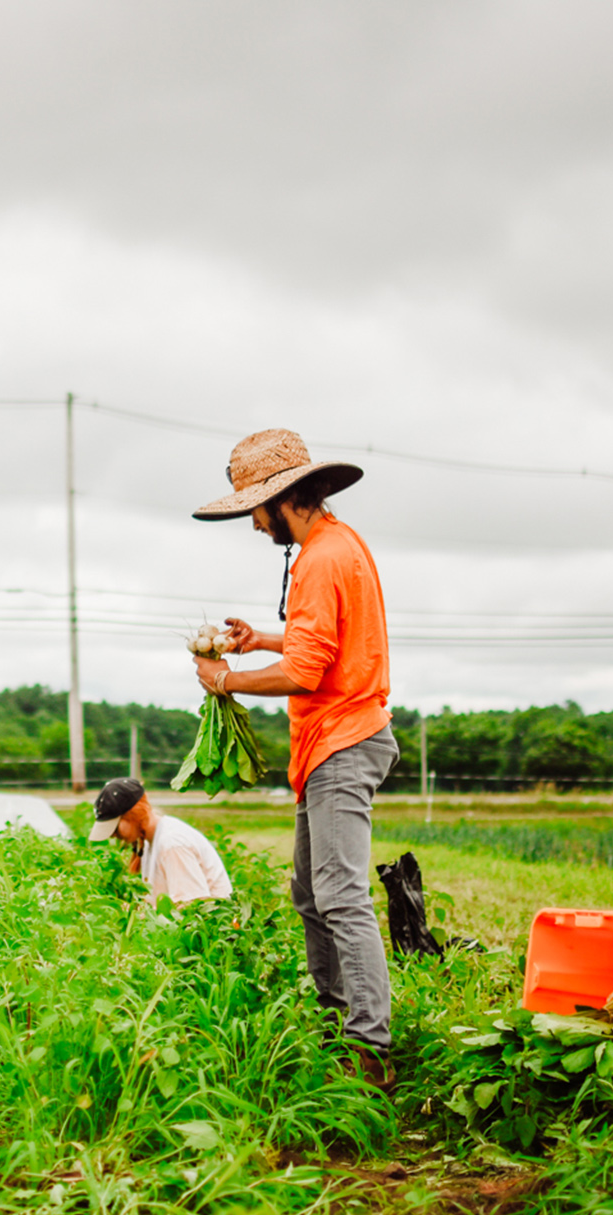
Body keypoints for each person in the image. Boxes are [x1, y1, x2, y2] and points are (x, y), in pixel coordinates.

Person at [189, 429, 400, 1086]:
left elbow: (308, 671)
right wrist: (260, 640)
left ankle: (369, 1050)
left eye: (255, 507)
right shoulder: (338, 544)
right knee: (311, 894)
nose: (252, 522)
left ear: (284, 499)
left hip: (342, 739)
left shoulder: (319, 558)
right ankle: (339, 1021)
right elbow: (319, 641)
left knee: (340, 896)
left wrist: (226, 680)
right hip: (333, 741)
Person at [87, 777, 233, 905]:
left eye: (115, 828)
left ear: (132, 814)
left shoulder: (171, 843)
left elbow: (192, 907)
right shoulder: (149, 842)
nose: (113, 835)